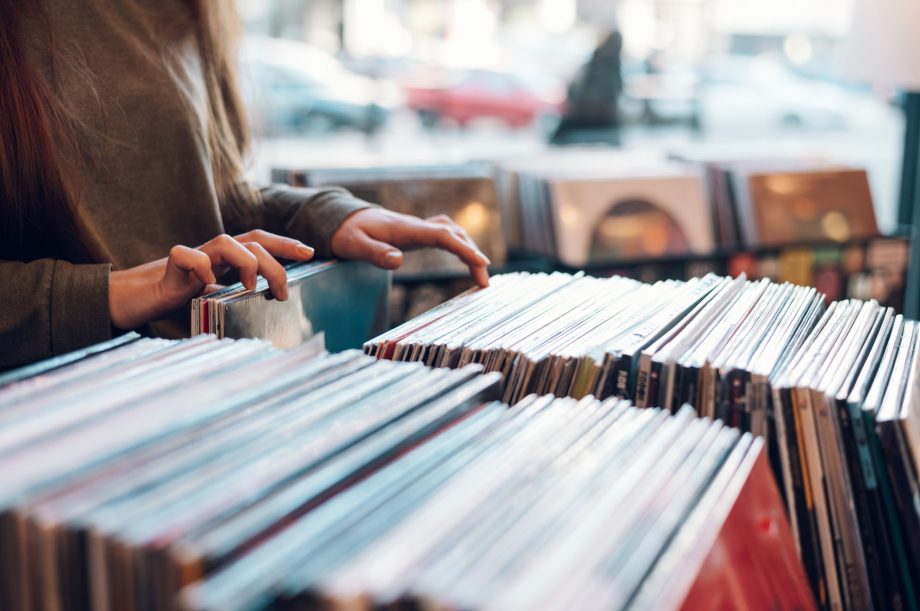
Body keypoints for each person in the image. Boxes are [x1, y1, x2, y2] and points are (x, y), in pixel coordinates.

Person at [0, 1, 490, 370]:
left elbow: (203, 192)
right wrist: (110, 292)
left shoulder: (192, 10)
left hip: (202, 374)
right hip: (69, 400)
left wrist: (329, 217)